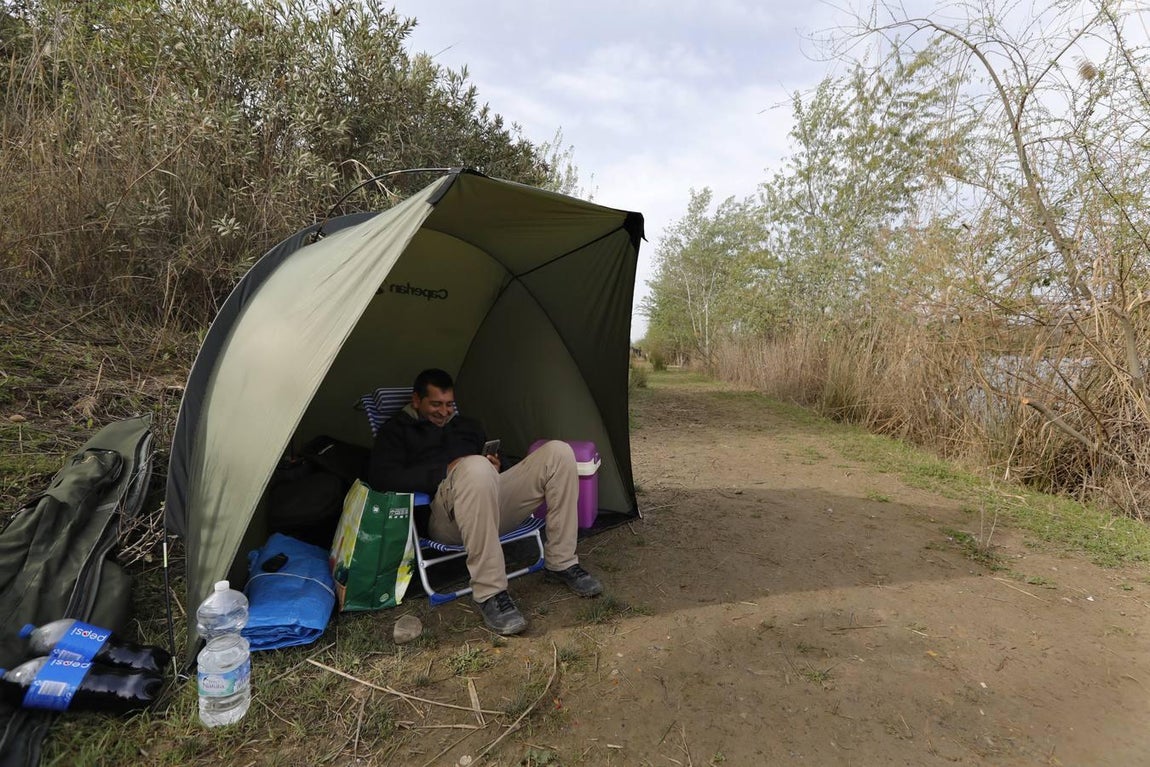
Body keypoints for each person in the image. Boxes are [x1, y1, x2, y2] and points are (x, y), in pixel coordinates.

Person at [369, 368, 603, 635]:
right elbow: (382, 478)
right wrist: (445, 471)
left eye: (449, 404)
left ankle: (562, 563)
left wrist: (499, 465)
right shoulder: (396, 431)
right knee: (475, 467)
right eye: (435, 404)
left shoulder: (467, 426)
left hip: (490, 506)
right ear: (416, 400)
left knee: (559, 452)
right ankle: (490, 593)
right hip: (446, 518)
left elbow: (501, 464)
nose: (444, 412)